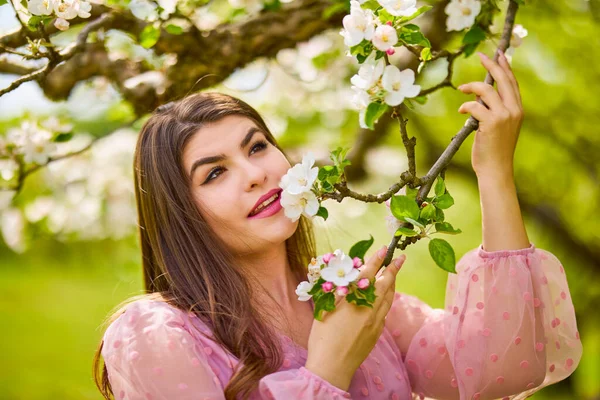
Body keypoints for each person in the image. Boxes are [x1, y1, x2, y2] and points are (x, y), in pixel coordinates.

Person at [93, 51, 583, 400]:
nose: (256, 174)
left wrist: (494, 172)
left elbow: (500, 365)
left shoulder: (349, 293)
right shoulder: (156, 334)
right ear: (181, 213)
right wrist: (329, 368)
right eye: (215, 173)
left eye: (257, 146)